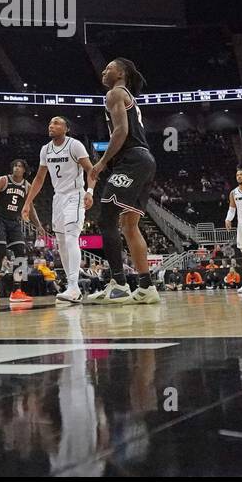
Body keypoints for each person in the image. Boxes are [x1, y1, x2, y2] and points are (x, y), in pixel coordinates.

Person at [86, 58, 158, 304]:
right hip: (146, 160)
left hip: (133, 159)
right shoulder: (127, 95)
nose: (104, 70)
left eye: (109, 67)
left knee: (106, 218)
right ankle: (146, 286)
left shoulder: (115, 92)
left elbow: (121, 131)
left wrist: (102, 162)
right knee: (128, 225)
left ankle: (118, 285)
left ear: (122, 72)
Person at [22, 115, 94, 303]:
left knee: (71, 237)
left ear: (66, 128)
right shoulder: (45, 149)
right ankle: (71, 286)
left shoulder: (75, 145)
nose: (51, 126)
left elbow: (90, 170)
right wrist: (28, 203)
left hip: (75, 194)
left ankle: (74, 286)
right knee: (61, 242)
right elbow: (39, 179)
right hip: (58, 198)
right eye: (50, 123)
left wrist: (90, 191)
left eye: (56, 123)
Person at [0, 159, 41, 305]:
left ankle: (17, 290)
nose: (17, 168)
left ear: (25, 170)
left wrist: (39, 226)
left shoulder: (27, 186)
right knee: (1, 252)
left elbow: (31, 209)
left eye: (20, 166)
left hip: (14, 223)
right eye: (15, 166)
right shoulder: (4, 180)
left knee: (21, 254)